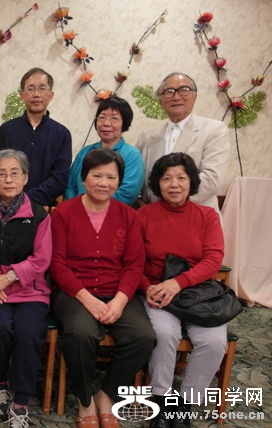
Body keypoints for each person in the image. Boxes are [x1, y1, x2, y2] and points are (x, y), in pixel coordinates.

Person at [50, 148, 155, 428]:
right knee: (80, 334)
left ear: (119, 181)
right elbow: (57, 264)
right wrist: (88, 300)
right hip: (74, 292)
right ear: (84, 178)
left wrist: (119, 302)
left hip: (117, 290)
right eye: (97, 175)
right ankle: (85, 401)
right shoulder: (64, 212)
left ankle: (106, 395)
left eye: (111, 177)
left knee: (143, 337)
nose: (103, 183)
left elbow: (134, 264)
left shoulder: (128, 215)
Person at [137, 153, 226, 428]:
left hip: (198, 293)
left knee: (214, 342)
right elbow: (133, 261)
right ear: (157, 183)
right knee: (165, 334)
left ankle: (185, 404)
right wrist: (147, 287)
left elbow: (214, 259)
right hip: (157, 292)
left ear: (191, 182)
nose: (174, 184)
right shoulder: (144, 215)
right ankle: (161, 400)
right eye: (166, 179)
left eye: (181, 178)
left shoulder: (207, 216)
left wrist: (178, 283)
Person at [0, 149, 51, 427]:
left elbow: (42, 259)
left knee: (29, 330)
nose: (8, 179)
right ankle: (0, 383)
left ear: (25, 178)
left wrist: (9, 278)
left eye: (14, 173)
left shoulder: (39, 215)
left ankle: (21, 401)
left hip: (29, 289)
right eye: (1, 174)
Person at [136, 72, 230, 213]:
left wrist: (170, 204)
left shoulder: (214, 130)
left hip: (197, 216)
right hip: (153, 217)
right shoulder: (146, 137)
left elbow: (212, 179)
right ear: (161, 100)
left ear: (194, 97)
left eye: (184, 90)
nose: (176, 97)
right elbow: (138, 178)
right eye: (169, 91)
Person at [0, 67, 72, 208]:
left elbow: (59, 178)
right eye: (30, 89)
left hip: (41, 208)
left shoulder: (62, 134)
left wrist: (25, 200)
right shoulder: (7, 130)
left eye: (42, 88)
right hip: (5, 206)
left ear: (51, 95)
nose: (36, 94)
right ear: (22, 95)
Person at [65, 96, 143, 206]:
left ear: (124, 123)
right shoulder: (85, 152)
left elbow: (127, 195)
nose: (106, 123)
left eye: (114, 118)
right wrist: (74, 208)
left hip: (112, 214)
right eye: (102, 117)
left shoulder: (132, 155)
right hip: (75, 212)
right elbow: (70, 187)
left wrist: (91, 208)